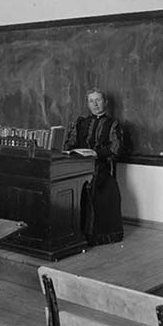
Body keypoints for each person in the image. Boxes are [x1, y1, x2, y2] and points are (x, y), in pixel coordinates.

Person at [63, 88, 124, 245]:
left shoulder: (113, 124)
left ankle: (92, 236)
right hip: (78, 168)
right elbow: (69, 144)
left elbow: (116, 149)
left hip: (102, 168)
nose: (95, 104)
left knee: (98, 188)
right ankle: (71, 235)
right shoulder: (80, 123)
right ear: (87, 104)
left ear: (105, 102)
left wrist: (95, 153)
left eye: (98, 100)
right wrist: (73, 151)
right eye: (91, 101)